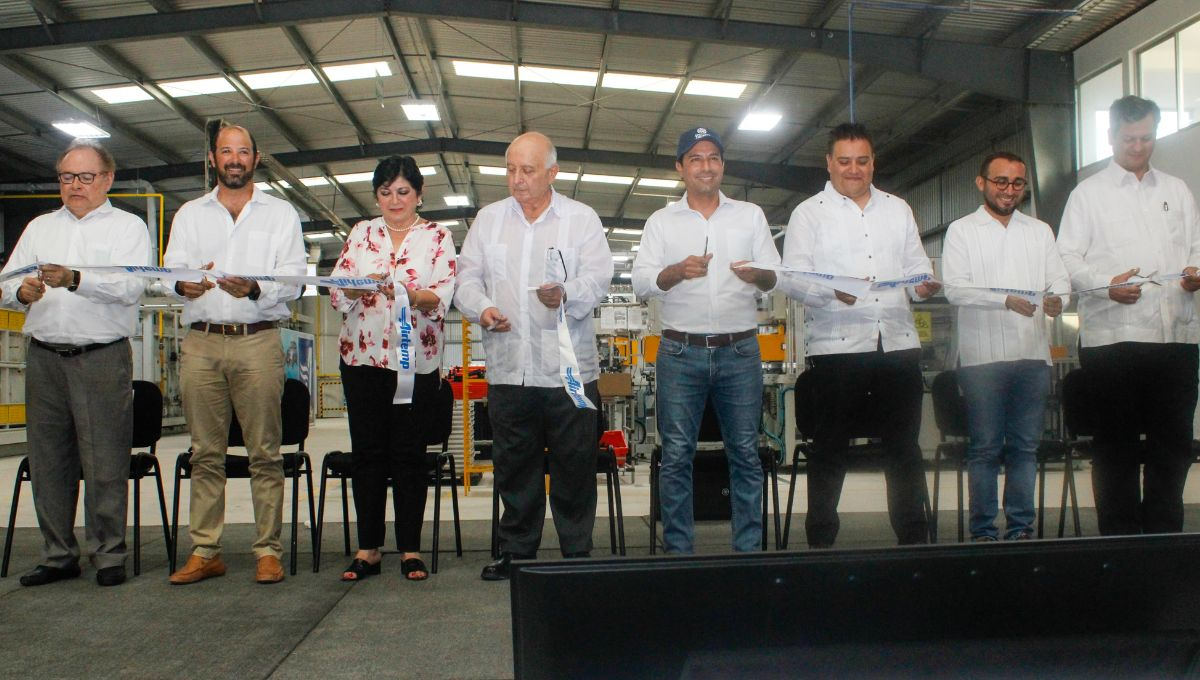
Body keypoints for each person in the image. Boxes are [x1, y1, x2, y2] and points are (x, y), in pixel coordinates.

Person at [454, 131, 613, 581]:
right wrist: (481, 308)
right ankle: (517, 551)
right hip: (509, 368)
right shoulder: (488, 220)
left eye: (527, 170)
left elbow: (600, 277)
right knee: (514, 466)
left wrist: (566, 293)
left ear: (552, 173)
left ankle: (576, 551)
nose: (517, 179)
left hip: (570, 372)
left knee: (575, 464)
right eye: (511, 169)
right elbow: (466, 278)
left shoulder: (581, 220)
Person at [780, 122, 940, 548]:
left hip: (897, 346)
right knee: (829, 451)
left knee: (903, 450)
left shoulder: (897, 209)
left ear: (874, 162)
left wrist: (922, 283)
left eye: (863, 161)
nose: (855, 169)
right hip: (837, 351)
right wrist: (831, 291)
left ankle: (913, 541)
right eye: (845, 161)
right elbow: (793, 280)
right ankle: (821, 541)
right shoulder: (808, 213)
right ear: (829, 163)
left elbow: (916, 266)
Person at [0, 139, 149, 587]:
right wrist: (18, 293)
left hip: (100, 355)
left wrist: (75, 279)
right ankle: (58, 553)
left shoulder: (128, 227)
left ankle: (108, 554)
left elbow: (130, 288)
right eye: (67, 177)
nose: (74, 186)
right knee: (49, 462)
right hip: (44, 356)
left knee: (104, 459)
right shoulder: (39, 227)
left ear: (107, 179)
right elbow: (6, 281)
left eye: (85, 177)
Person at [164, 121, 307, 584]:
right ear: (212, 159)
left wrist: (255, 288)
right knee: (206, 452)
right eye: (226, 151)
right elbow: (168, 271)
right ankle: (205, 550)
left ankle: (268, 551)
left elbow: (295, 279)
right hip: (202, 341)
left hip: (258, 340)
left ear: (256, 158)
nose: (234, 159)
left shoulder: (280, 214)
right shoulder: (189, 214)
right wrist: (179, 285)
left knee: (264, 451)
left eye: (242, 151)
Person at [631, 126, 779, 554]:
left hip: (740, 349)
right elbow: (642, 283)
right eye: (695, 158)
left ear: (722, 165)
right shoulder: (661, 222)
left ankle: (748, 551)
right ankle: (679, 553)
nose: (706, 166)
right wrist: (675, 272)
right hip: (679, 352)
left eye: (713, 157)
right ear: (680, 168)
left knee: (746, 455)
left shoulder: (749, 216)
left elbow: (775, 274)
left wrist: (759, 275)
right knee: (676, 457)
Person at [1057, 95, 1200, 536]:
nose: (1138, 147)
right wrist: (1106, 284)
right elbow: (1067, 257)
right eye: (1129, 138)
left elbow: (1195, 247)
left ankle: (1163, 535)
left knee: (1173, 444)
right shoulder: (1088, 194)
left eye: (1146, 138)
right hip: (1112, 340)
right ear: (1111, 136)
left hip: (1176, 335)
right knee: (1115, 445)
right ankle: (1118, 541)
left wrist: (1195, 273)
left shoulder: (1176, 189)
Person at [328, 155, 456, 581]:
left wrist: (407, 293)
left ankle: (410, 549)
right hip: (362, 361)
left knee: (408, 455)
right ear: (377, 196)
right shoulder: (361, 234)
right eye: (385, 192)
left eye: (403, 191)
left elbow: (442, 297)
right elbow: (336, 292)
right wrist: (360, 287)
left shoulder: (438, 237)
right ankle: (368, 549)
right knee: (368, 454)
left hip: (416, 364)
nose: (394, 199)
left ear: (419, 194)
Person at [942, 151, 1070, 542]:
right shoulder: (962, 231)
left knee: (1024, 449)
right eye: (1001, 182)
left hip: (1032, 355)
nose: (1009, 190)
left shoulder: (1040, 231)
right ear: (981, 183)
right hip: (982, 359)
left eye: (1017, 183)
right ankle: (983, 532)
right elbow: (955, 288)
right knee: (984, 449)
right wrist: (1003, 300)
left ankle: (1020, 531)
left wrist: (1057, 300)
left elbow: (1060, 280)